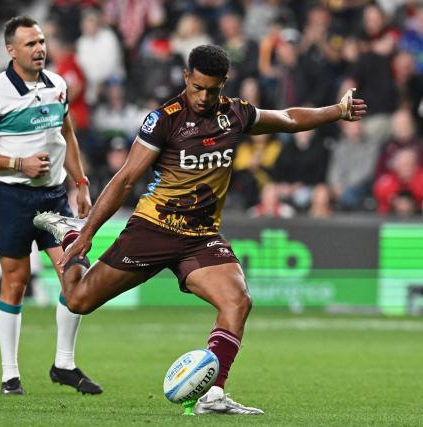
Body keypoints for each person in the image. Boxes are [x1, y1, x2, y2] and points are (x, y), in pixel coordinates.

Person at [33, 44, 366, 415]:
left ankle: (213, 395)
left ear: (223, 83)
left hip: (201, 236)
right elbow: (126, 179)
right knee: (79, 301)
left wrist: (336, 111)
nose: (205, 97)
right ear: (186, 77)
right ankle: (68, 233)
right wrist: (89, 230)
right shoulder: (164, 120)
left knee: (238, 301)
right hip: (154, 227)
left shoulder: (234, 115)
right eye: (198, 88)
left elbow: (288, 118)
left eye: (213, 89)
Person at [0, 16, 101, 396]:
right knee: (15, 283)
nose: (39, 49)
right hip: (13, 198)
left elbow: (66, 133)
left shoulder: (58, 85)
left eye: (41, 41)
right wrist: (17, 164)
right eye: (30, 44)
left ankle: (64, 364)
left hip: (54, 197)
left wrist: (82, 183)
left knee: (75, 277)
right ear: (11, 50)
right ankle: (10, 375)